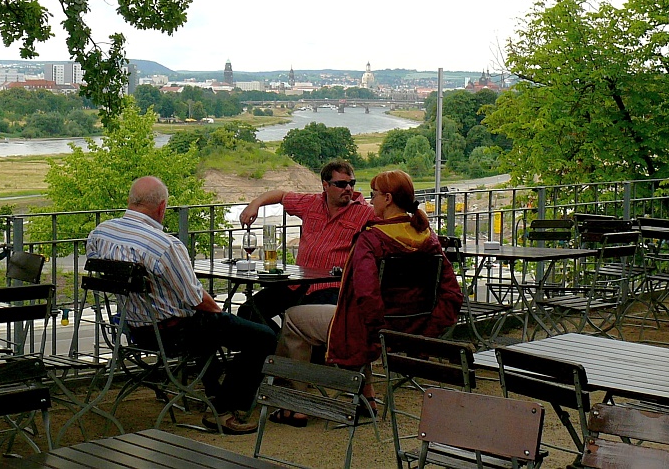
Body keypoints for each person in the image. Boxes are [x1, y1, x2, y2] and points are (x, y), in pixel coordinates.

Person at [86, 176, 276, 435]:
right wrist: (221, 313)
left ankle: (215, 391)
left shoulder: (100, 234)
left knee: (211, 328)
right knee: (263, 337)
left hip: (130, 328)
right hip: (173, 333)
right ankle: (224, 407)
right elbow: (196, 299)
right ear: (162, 207)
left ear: (131, 201)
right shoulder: (164, 246)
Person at [270, 170, 463, 426]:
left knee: (294, 319)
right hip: (410, 327)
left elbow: (365, 294)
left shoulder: (371, 239)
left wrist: (376, 330)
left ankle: (295, 404)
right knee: (355, 317)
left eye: (373, 195)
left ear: (388, 198)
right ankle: (365, 396)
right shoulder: (429, 239)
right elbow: (452, 293)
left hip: (371, 329)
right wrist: (428, 326)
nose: (370, 201)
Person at [237, 160, 376, 330]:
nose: (348, 188)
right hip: (297, 283)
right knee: (248, 312)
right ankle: (275, 346)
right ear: (326, 185)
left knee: (307, 323)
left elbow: (393, 223)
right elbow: (281, 196)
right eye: (341, 184)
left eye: (351, 183)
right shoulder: (311, 203)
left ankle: (286, 349)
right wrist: (255, 204)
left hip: (333, 287)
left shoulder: (366, 212)